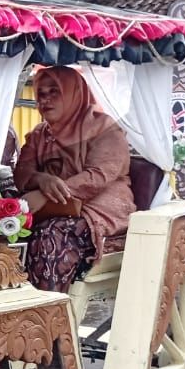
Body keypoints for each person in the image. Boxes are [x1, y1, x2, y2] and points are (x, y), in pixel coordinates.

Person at [15, 65, 134, 293]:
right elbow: (22, 172)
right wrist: (41, 180)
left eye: (55, 92)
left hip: (97, 208)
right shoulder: (40, 134)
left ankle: (47, 316)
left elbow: (98, 176)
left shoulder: (105, 128)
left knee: (51, 233)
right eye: (41, 93)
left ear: (74, 93)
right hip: (49, 209)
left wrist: (47, 194)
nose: (46, 100)